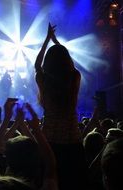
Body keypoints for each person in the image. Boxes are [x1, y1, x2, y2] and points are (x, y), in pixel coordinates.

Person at [34, 23, 87, 190]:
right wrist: (56, 42)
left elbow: (37, 65)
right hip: (73, 140)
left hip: (49, 141)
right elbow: (70, 65)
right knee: (74, 182)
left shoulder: (44, 80)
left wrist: (47, 40)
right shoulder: (74, 77)